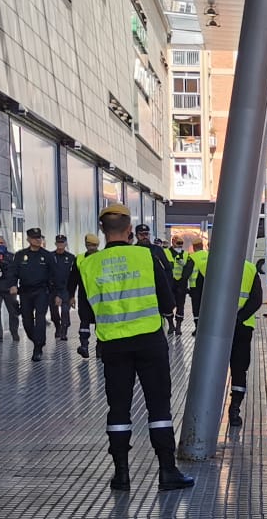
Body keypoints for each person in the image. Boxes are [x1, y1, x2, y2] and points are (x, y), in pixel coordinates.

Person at [74, 204, 195, 492]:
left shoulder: (88, 265)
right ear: (130, 230)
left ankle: (121, 474)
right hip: (149, 341)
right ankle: (167, 470)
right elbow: (168, 304)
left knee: (118, 408)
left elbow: (86, 312)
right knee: (158, 407)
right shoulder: (145, 256)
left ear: (102, 231)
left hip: (112, 344)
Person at [227, 258, 266, 426]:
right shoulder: (250, 269)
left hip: (216, 327)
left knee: (213, 368)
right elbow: (256, 299)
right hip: (243, 326)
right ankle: (235, 408)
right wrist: (240, 317)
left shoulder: (211, 265)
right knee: (239, 368)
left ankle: (210, 405)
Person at [13, 228, 57, 361]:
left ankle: (38, 348)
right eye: (35, 238)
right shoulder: (20, 255)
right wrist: (13, 285)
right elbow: (13, 272)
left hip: (41, 291)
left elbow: (54, 275)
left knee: (40, 318)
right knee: (27, 320)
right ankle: (36, 340)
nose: (38, 240)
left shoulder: (47, 256)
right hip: (25, 292)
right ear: (28, 240)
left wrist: (57, 293)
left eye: (40, 238)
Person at [49, 233, 75, 340]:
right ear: (55, 243)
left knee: (65, 311)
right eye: (58, 242)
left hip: (65, 289)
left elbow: (72, 277)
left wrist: (72, 294)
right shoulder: (50, 256)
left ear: (65, 244)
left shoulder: (71, 257)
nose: (60, 244)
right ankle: (58, 327)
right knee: (54, 314)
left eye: (62, 242)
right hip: (53, 289)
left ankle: (64, 331)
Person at [186, 238, 209, 332]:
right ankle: (207, 327)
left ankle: (197, 328)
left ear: (194, 247)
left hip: (195, 286)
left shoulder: (192, 257)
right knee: (206, 306)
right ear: (202, 246)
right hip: (207, 286)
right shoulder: (209, 255)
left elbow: (187, 273)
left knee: (196, 307)